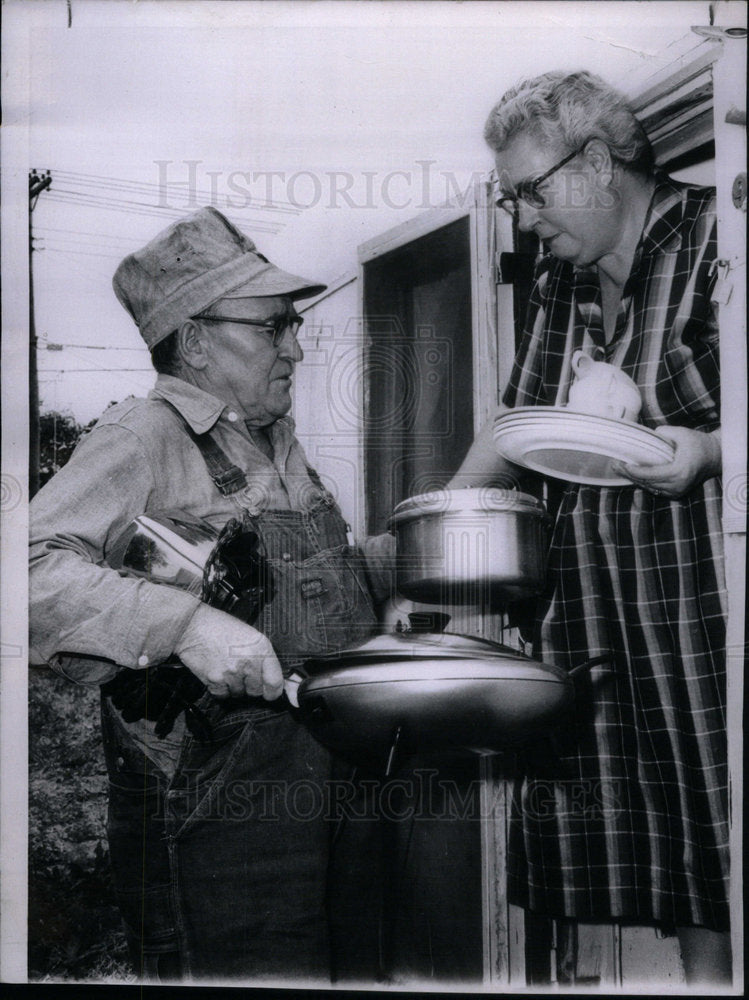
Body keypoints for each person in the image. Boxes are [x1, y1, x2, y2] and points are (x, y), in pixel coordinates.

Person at [29, 207, 397, 982]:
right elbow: (25, 571)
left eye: (293, 325)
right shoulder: (143, 437)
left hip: (333, 787)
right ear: (195, 341)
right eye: (272, 328)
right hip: (215, 810)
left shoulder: (275, 442)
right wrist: (187, 626)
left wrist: (406, 566)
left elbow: (312, 592)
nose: (296, 347)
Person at [457, 70, 730, 985]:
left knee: (726, 825)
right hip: (602, 615)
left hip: (708, 611)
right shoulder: (559, 281)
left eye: (531, 192)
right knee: (672, 847)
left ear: (600, 162)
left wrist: (710, 452)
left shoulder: (718, 236)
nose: (524, 218)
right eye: (512, 199)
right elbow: (512, 427)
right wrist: (439, 528)